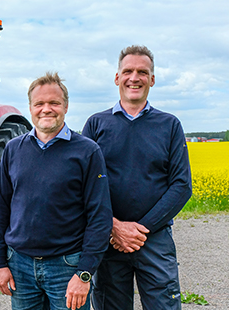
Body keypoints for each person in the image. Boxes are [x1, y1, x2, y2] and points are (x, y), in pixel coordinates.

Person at [82, 45, 192, 310]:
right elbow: (81, 185)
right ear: (117, 77)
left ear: (152, 79)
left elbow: (181, 185)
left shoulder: (169, 125)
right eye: (128, 71)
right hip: (108, 240)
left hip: (154, 239)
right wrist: (114, 226)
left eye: (142, 72)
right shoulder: (96, 125)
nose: (135, 77)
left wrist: (140, 230)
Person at [0, 72, 113, 310]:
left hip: (67, 267)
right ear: (30, 108)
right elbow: (0, 208)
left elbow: (100, 216)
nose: (47, 109)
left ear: (65, 106)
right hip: (20, 266)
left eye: (54, 103)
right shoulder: (13, 149)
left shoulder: (87, 152)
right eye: (40, 104)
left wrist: (84, 273)